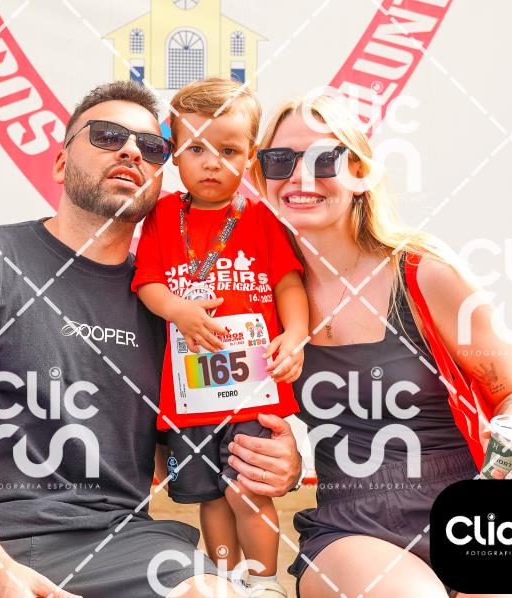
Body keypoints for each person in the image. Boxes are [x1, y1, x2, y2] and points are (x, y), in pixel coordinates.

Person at [0, 80, 302, 598]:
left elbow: (194, 442)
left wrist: (278, 462)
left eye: (151, 147)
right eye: (107, 136)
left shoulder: (173, 308)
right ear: (60, 163)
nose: (130, 151)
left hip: (119, 541)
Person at [251, 92, 512, 598]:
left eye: (323, 158)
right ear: (261, 177)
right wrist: (286, 464)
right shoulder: (258, 294)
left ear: (360, 172)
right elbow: (232, 413)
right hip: (349, 528)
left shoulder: (424, 274)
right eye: (279, 160)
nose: (299, 176)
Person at [132, 78, 309, 598]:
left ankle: (265, 582)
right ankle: (228, 581)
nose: (211, 163)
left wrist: (296, 335)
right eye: (196, 149)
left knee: (246, 490)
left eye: (228, 151)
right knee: (210, 496)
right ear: (174, 154)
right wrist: (178, 310)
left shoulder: (262, 217)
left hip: (253, 388)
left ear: (251, 157)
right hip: (190, 393)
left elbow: (288, 283)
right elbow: (148, 282)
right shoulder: (162, 216)